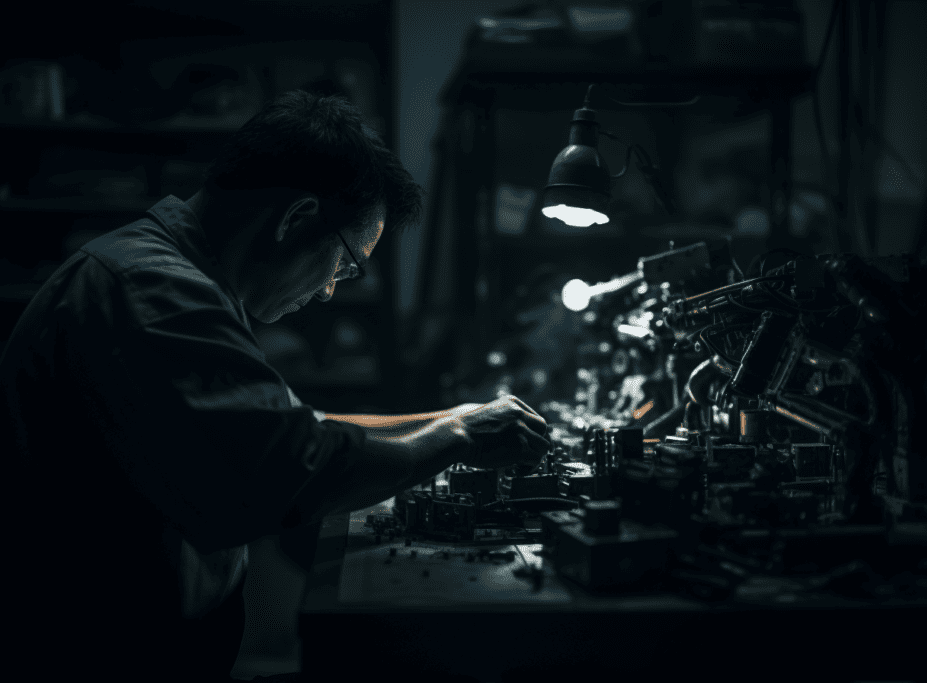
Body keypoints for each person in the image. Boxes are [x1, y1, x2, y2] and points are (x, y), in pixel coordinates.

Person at [0, 90, 549, 681]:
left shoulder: (177, 279)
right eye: (345, 263)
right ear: (295, 219)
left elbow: (293, 427)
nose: (331, 290)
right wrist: (461, 433)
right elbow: (290, 468)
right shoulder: (155, 294)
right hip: (100, 655)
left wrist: (450, 418)